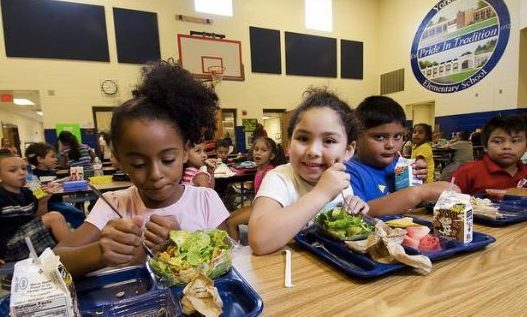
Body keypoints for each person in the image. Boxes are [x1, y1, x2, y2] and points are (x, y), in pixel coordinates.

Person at [54, 61, 230, 277]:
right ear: (119, 160)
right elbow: (52, 263)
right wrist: (100, 252)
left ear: (185, 152)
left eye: (167, 159)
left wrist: (182, 241)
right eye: (139, 164)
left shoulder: (205, 200)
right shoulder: (113, 204)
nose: (155, 174)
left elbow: (227, 258)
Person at [249, 88, 369, 255]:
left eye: (328, 140)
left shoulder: (341, 181)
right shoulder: (279, 178)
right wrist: (322, 193)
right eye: (303, 138)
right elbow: (259, 241)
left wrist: (355, 207)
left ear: (348, 150)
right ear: (289, 144)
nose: (313, 151)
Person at [345, 96, 459, 216]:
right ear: (356, 138)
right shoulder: (348, 172)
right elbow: (359, 213)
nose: (390, 145)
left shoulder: (400, 165)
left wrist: (419, 181)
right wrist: (418, 192)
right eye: (379, 137)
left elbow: (415, 207)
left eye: (397, 136)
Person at [0, 150, 70, 262]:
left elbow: (38, 219)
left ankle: (67, 254)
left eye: (23, 168)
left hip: (26, 239)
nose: (22, 173)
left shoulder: (27, 192)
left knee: (63, 224)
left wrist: (43, 201)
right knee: (55, 217)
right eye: (13, 170)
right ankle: (73, 254)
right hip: (8, 247)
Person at [226, 137, 287, 242]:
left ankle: (235, 252)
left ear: (271, 156)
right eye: (256, 149)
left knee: (231, 222)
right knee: (228, 217)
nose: (258, 153)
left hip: (264, 210)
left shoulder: (269, 173)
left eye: (263, 150)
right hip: (256, 206)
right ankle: (236, 243)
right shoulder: (260, 169)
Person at [452, 115, 527, 195]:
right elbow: (449, 203)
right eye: (498, 141)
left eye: (515, 141)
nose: (507, 147)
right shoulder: (466, 173)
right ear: (485, 146)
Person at [25, 142, 86, 228]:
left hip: (59, 202)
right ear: (40, 159)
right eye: (52, 156)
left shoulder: (52, 172)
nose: (56, 159)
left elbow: (56, 187)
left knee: (78, 213)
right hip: (47, 206)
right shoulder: (32, 177)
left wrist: (64, 183)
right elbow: (38, 195)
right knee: (77, 214)